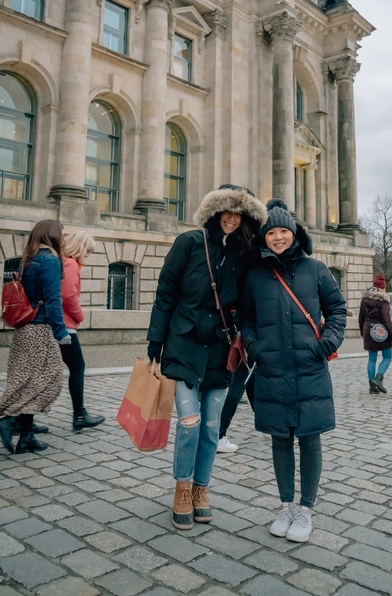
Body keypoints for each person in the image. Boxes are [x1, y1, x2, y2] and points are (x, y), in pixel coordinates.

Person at [146, 185, 266, 530]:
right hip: (183, 343)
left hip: (220, 349)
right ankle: (181, 487)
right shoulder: (189, 243)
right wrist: (155, 341)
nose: (231, 218)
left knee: (212, 426)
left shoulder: (246, 253)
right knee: (189, 423)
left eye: (238, 213)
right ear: (214, 213)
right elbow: (165, 292)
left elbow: (256, 289)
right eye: (226, 211)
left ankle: (201, 489)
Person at [241, 199, 346, 544]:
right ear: (264, 237)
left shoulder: (316, 269)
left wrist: (326, 344)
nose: (278, 237)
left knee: (310, 437)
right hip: (273, 369)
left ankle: (306, 509)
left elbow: (337, 308)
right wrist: (257, 350)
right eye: (272, 232)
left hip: (310, 367)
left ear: (294, 233)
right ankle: (286, 505)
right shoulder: (255, 274)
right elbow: (247, 319)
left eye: (284, 230)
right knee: (280, 439)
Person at [0, 220, 71, 454]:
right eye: (62, 234)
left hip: (24, 329)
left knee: (27, 379)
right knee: (50, 378)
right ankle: (11, 421)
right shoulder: (49, 261)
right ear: (53, 236)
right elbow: (54, 299)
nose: (64, 238)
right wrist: (61, 331)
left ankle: (23, 430)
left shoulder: (29, 259)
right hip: (39, 329)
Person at [61, 231, 105, 430]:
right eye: (88, 250)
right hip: (65, 326)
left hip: (58, 324)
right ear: (79, 247)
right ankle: (79, 415)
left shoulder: (62, 262)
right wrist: (79, 316)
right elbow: (68, 295)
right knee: (78, 367)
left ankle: (22, 419)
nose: (87, 255)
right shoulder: (70, 264)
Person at [358, 274, 392, 394]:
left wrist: (362, 332)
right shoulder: (383, 301)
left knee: (372, 358)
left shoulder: (365, 299)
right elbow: (387, 320)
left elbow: (360, 318)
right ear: (383, 288)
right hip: (381, 330)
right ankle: (378, 379)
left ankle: (372, 387)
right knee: (387, 357)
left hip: (367, 328)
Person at [217, 360, 255, 453]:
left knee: (251, 379)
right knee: (236, 390)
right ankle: (219, 435)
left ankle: (265, 422)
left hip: (245, 355)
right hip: (244, 353)